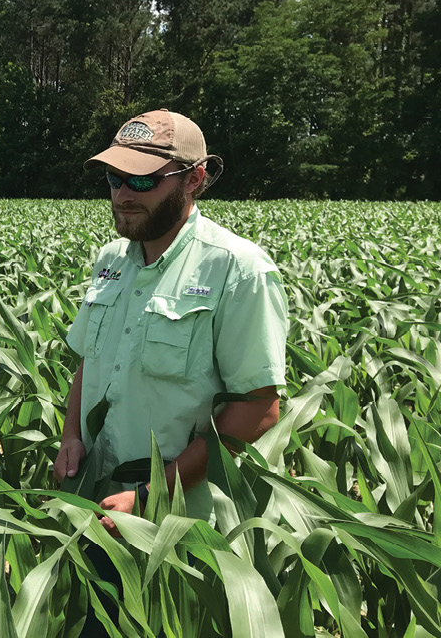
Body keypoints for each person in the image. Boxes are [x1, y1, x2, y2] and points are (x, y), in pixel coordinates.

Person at [53, 109, 289, 537]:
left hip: (178, 527)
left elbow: (258, 409)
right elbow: (91, 361)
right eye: (114, 177)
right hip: (91, 501)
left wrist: (149, 494)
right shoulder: (111, 261)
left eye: (143, 180)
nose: (123, 193)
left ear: (194, 179)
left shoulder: (237, 269)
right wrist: (72, 437)